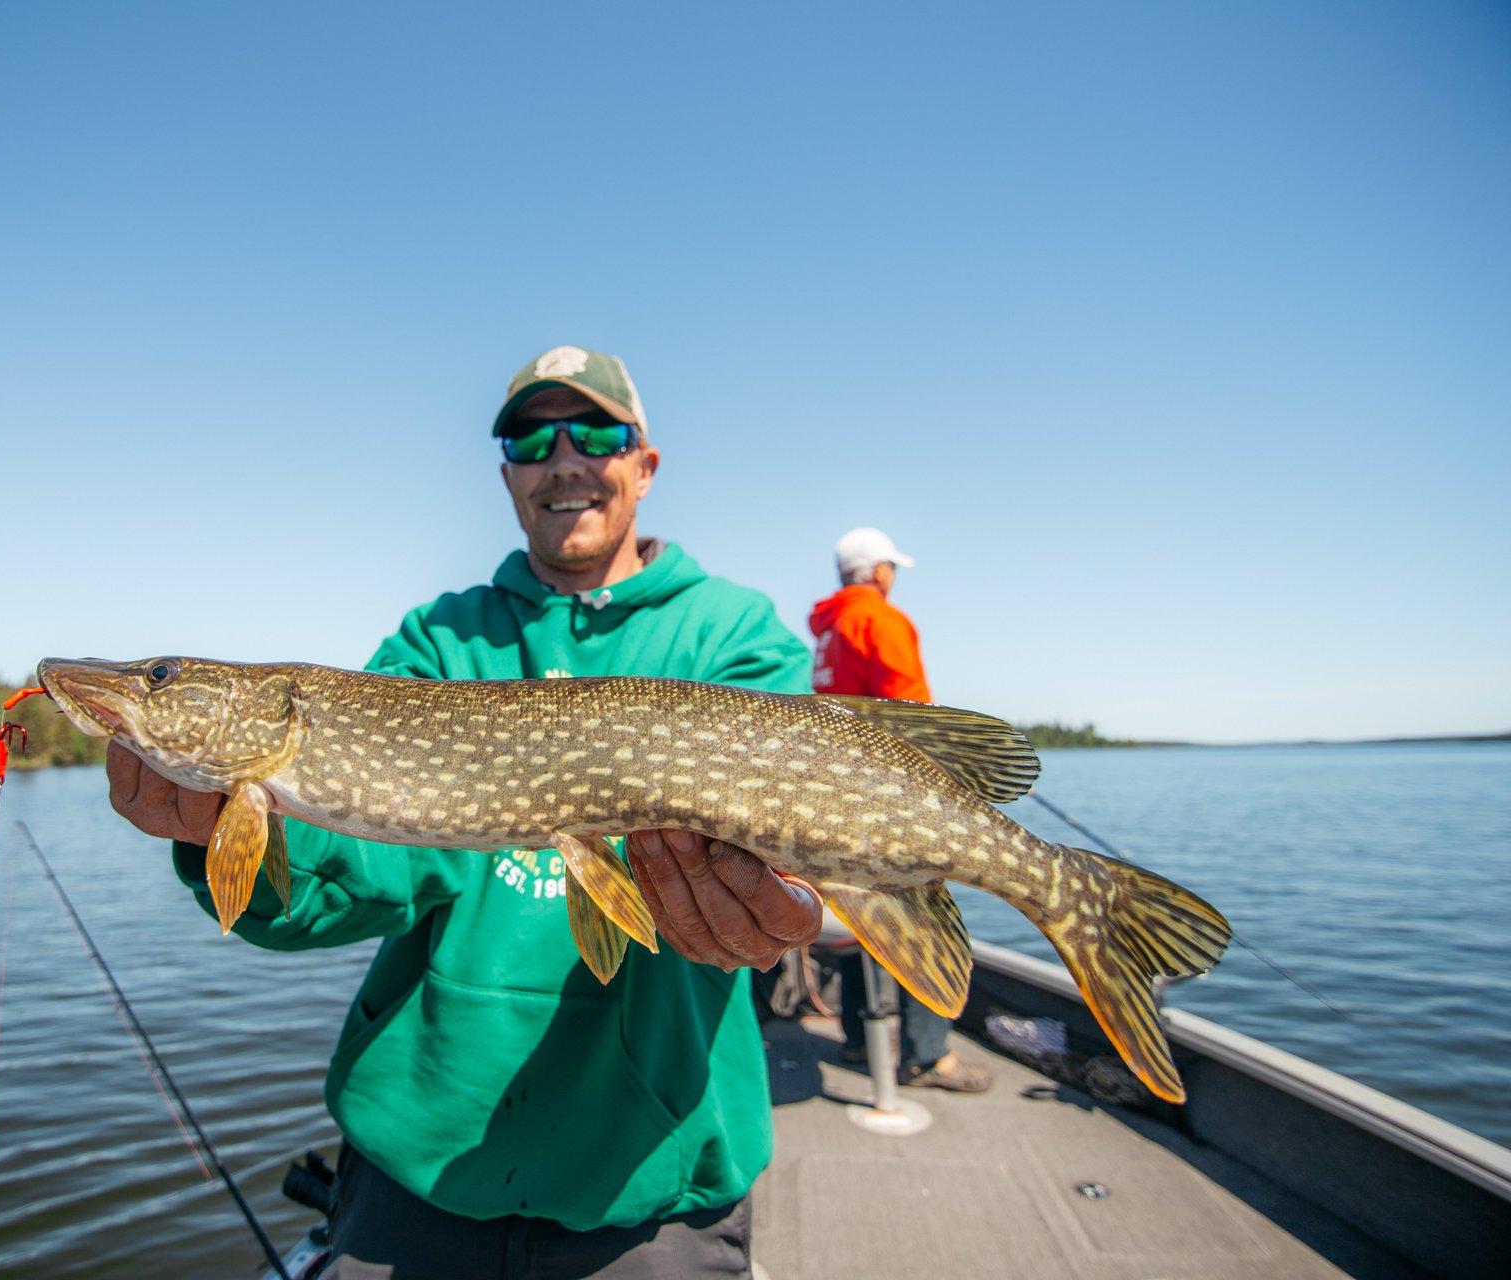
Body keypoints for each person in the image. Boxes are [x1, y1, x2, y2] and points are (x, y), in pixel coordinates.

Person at [107, 345, 823, 1278]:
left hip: (654, 1193)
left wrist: (784, 907)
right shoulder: (439, 642)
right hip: (420, 1177)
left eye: (597, 433)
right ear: (507, 475)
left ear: (645, 466)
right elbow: (365, 876)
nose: (563, 458)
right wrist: (219, 839)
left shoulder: (733, 635)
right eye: (530, 437)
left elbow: (788, 881)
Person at [808, 527, 993, 1092]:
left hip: (831, 796)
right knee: (915, 909)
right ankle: (928, 1053)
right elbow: (913, 716)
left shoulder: (829, 629)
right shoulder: (881, 620)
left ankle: (858, 1043)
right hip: (886, 798)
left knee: (859, 909)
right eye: (893, 568)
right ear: (879, 572)